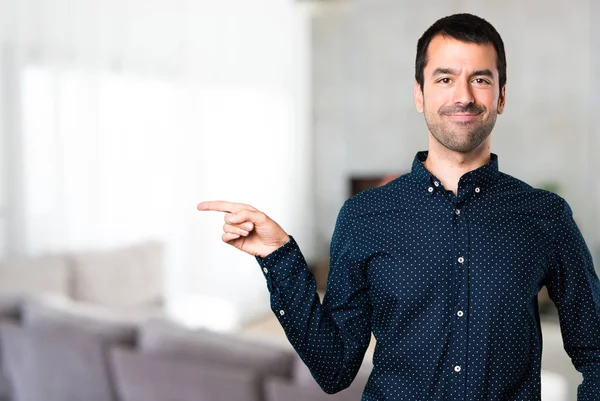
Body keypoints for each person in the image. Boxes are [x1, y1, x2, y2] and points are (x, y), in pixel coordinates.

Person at [197, 13, 600, 400]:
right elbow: (334, 369)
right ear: (419, 94)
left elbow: (595, 350)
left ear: (501, 96)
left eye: (480, 79)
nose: (463, 96)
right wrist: (278, 256)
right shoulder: (363, 216)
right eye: (445, 78)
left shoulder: (545, 215)